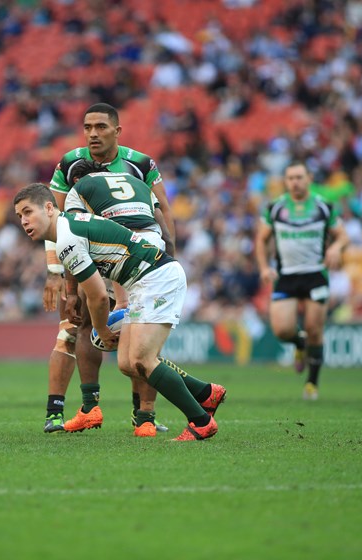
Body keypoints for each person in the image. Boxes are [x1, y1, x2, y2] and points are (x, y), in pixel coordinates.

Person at [14, 183, 226, 441]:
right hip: (143, 283)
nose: (24, 221)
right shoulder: (70, 228)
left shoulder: (67, 239)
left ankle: (201, 421)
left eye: (28, 212)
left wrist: (101, 329)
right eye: (20, 216)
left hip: (156, 279)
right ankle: (206, 393)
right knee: (127, 363)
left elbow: (99, 297)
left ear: (49, 208)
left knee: (143, 360)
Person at [42, 102, 176, 435]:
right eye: (87, 127)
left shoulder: (140, 163)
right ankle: (86, 408)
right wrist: (56, 273)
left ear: (117, 131)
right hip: (89, 254)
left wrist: (168, 254)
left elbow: (163, 211)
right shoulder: (70, 164)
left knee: (142, 333)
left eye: (100, 127)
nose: (93, 134)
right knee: (78, 325)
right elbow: (55, 220)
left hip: (135, 255)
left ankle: (144, 415)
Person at [62, 159, 173, 436]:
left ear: (75, 181)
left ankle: (90, 408)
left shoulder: (81, 190)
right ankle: (145, 416)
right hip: (154, 254)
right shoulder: (139, 184)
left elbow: (72, 234)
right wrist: (167, 265)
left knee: (87, 325)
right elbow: (166, 232)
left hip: (116, 256)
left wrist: (72, 293)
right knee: (146, 339)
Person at [254, 162, 348, 401]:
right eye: (290, 178)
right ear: (285, 181)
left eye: (299, 177)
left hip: (316, 274)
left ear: (309, 178)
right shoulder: (275, 207)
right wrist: (264, 267)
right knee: (282, 330)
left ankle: (311, 383)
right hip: (286, 275)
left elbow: (342, 235)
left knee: (315, 329)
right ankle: (299, 343)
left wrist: (336, 247)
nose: (295, 182)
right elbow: (261, 239)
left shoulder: (323, 206)